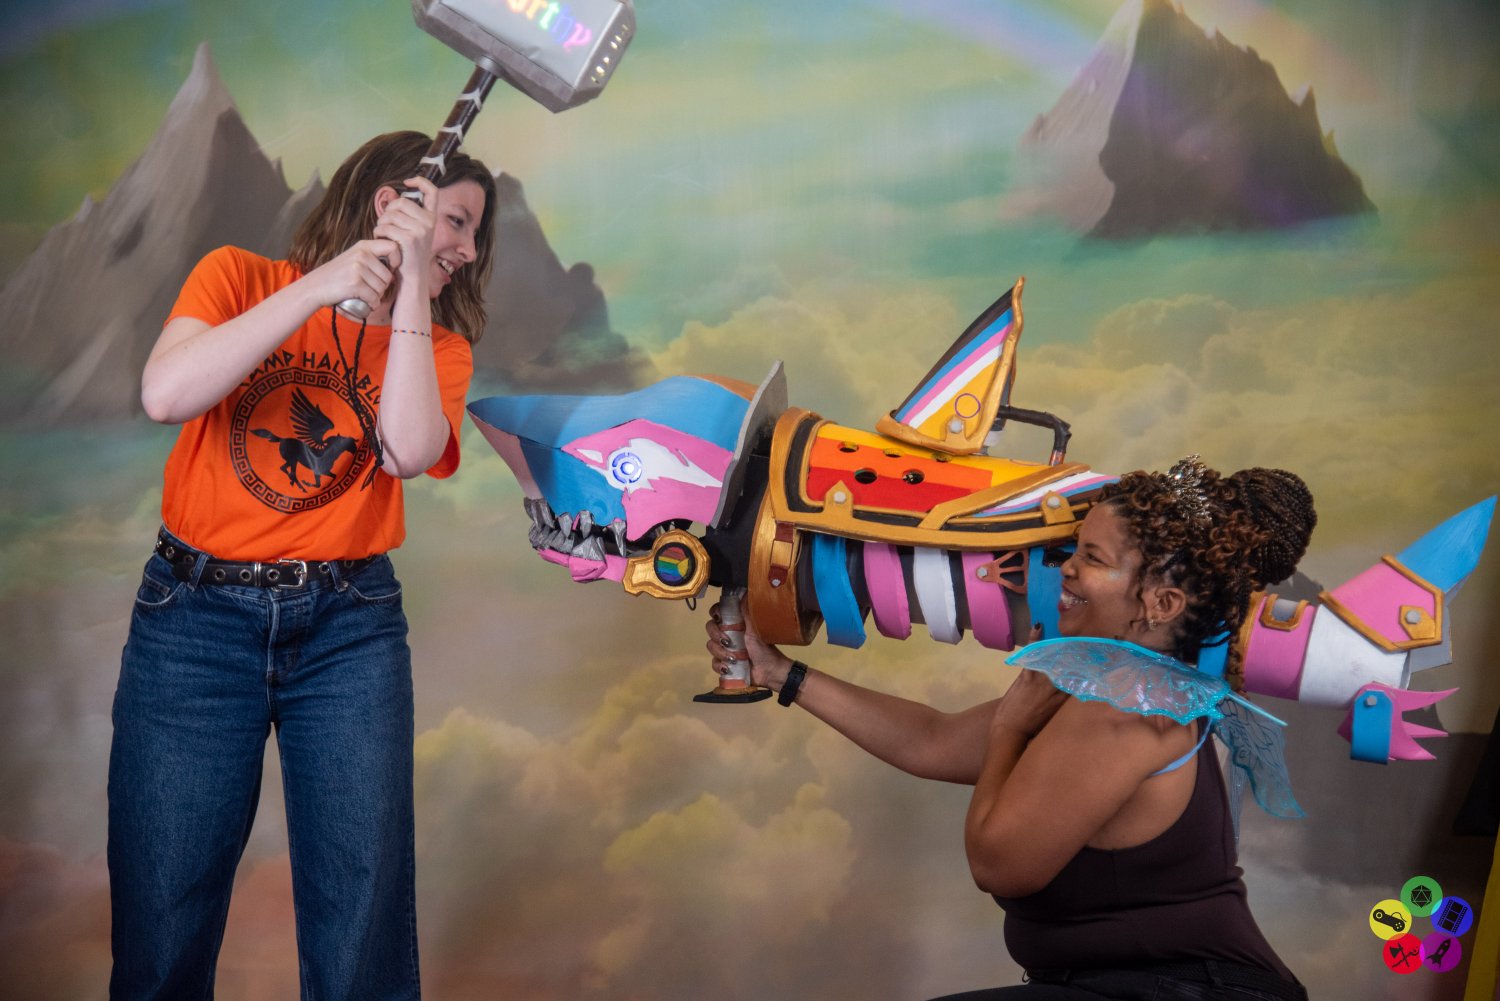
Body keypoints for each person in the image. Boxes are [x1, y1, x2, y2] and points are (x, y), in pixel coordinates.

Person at [109, 130, 497, 1000]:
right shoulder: (237, 277)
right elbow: (165, 393)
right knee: (163, 920)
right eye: (459, 222)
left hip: (348, 630)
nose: (470, 250)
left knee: (361, 925)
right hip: (194, 623)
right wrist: (322, 286)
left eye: (475, 233)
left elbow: (407, 450)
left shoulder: (438, 348)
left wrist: (407, 288)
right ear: (392, 203)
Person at [705, 459, 1316, 1001]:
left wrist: (1009, 730)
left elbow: (999, 864)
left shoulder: (1129, 706)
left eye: (1092, 558)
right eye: (1076, 550)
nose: (1066, 569)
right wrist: (781, 673)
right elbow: (933, 741)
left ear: (1161, 604)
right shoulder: (1113, 683)